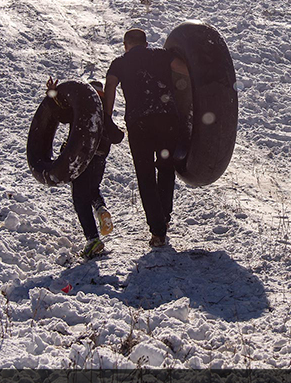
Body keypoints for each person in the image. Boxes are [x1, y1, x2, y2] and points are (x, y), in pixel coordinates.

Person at [103, 29, 189, 248]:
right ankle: (164, 217)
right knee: (166, 168)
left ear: (126, 45)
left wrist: (107, 117)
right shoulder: (161, 55)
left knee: (145, 174)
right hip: (167, 120)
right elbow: (186, 69)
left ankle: (158, 231)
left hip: (139, 123)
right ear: (146, 43)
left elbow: (110, 85)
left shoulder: (119, 63)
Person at [44, 78, 125, 258]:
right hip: (99, 159)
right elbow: (117, 136)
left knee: (80, 197)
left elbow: (60, 115)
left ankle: (93, 238)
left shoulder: (79, 112)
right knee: (92, 189)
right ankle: (101, 209)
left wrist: (52, 95)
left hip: (81, 158)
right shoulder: (103, 114)